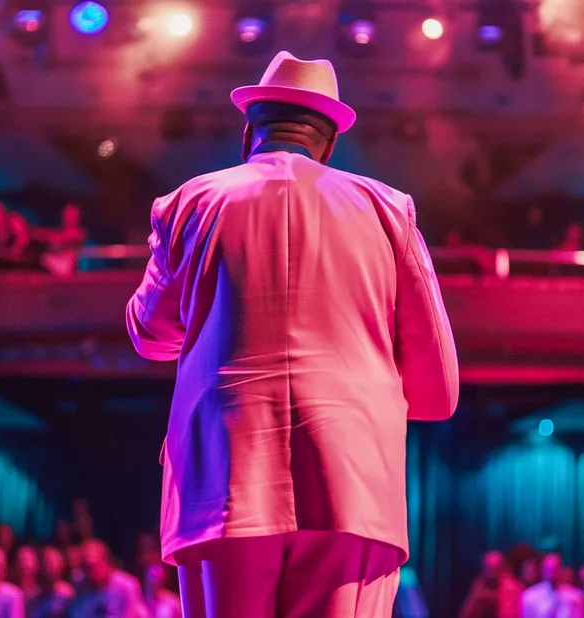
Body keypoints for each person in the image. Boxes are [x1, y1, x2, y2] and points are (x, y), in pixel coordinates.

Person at [126, 51, 458, 618]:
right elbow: (439, 390)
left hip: (222, 483)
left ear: (249, 131)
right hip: (353, 486)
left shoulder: (188, 204)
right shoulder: (388, 210)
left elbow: (149, 333)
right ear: (329, 144)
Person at [68, 540, 147, 618]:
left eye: (92, 566)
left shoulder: (126, 585)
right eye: (85, 566)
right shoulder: (82, 589)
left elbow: (134, 614)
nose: (90, 572)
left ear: (105, 560)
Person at [522, 554, 584, 618]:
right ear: (542, 569)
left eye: (555, 568)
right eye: (548, 569)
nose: (552, 573)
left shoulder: (576, 596)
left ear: (561, 569)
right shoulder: (529, 597)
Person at [460, 551, 521, 618]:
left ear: (503, 569)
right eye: (488, 569)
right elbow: (465, 614)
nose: (491, 572)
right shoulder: (481, 583)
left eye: (495, 569)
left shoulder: (510, 587)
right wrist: (477, 598)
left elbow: (508, 615)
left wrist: (495, 598)